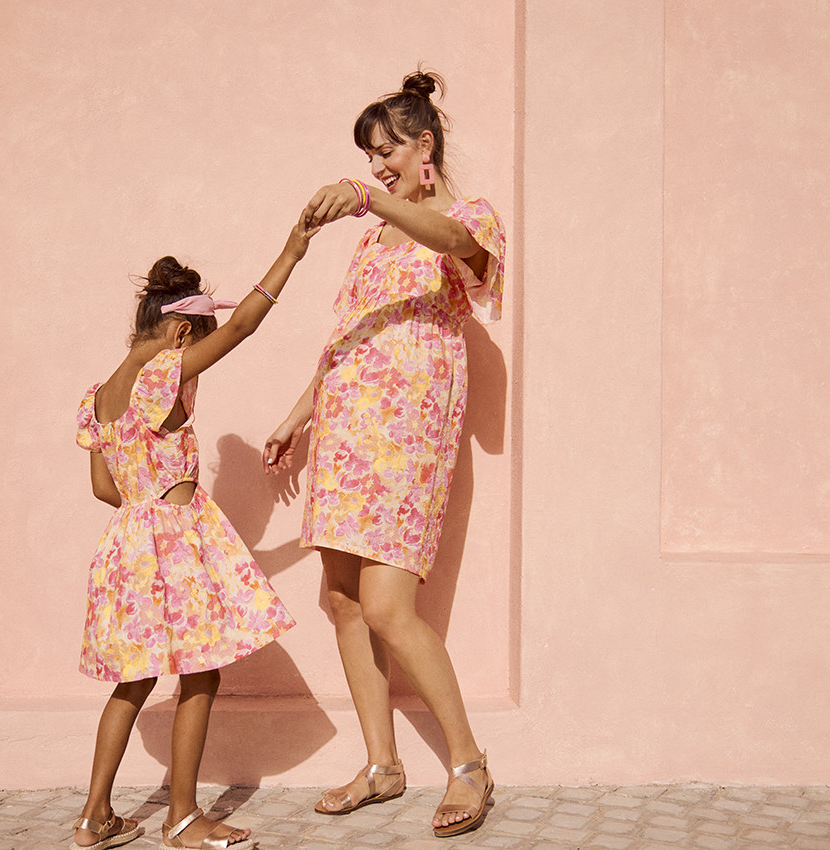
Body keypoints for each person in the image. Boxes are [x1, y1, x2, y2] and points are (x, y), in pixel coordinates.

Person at [264, 69, 505, 839]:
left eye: (387, 151)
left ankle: (469, 764)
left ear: (424, 146)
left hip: (407, 435)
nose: (376, 166)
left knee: (388, 608)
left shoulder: (468, 216)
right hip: (344, 434)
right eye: (368, 157)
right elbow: (350, 334)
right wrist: (299, 414)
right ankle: (381, 765)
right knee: (341, 601)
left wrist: (370, 197)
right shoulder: (372, 239)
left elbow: (459, 247)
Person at [71, 220, 317, 850]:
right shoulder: (163, 371)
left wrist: (145, 499)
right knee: (201, 673)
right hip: (174, 540)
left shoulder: (98, 397)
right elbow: (242, 327)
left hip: (127, 543)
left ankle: (95, 817)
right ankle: (182, 818)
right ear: (182, 333)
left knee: (134, 680)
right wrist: (292, 250)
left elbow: (103, 488)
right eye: (197, 349)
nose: (194, 373)